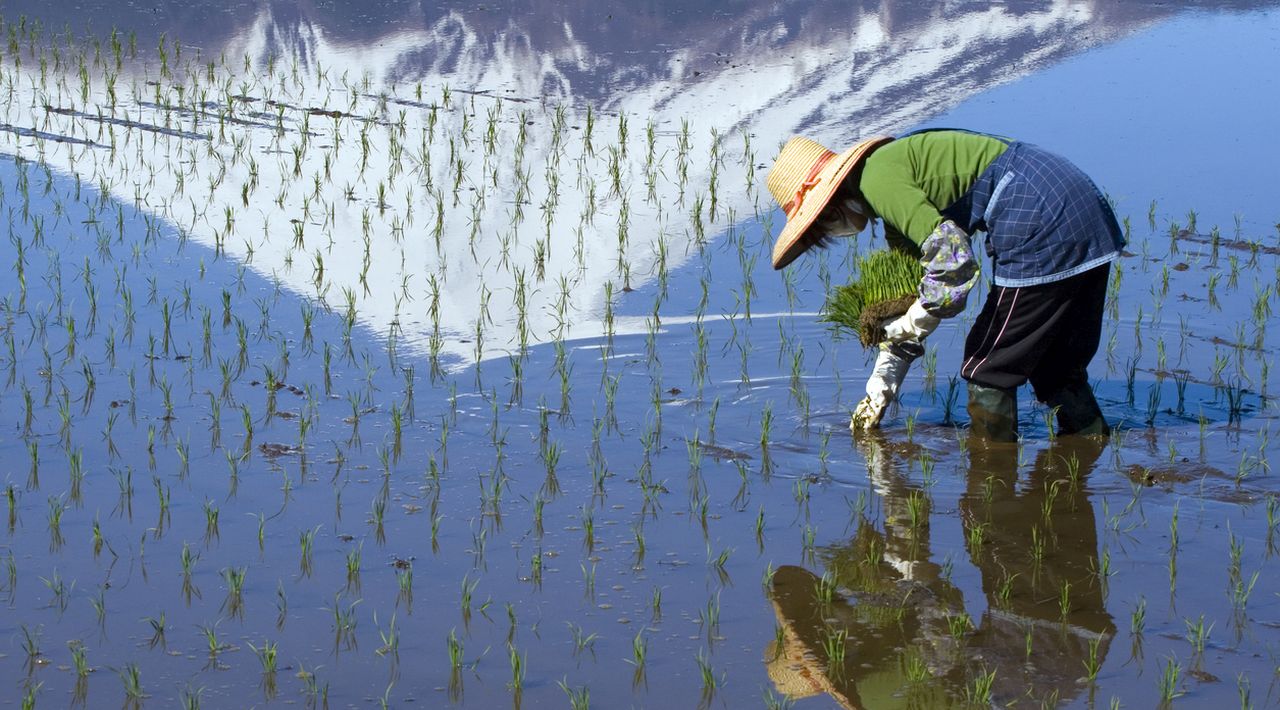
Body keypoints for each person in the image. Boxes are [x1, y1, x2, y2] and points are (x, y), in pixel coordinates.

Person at [766, 129, 1123, 441]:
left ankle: (990, 478)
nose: (833, 231)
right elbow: (916, 294)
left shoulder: (878, 179)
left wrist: (916, 320)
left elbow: (953, 265)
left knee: (988, 367)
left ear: (830, 202)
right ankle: (1089, 449)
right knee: (1054, 364)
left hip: (1037, 217)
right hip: (1080, 205)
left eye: (824, 223)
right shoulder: (891, 181)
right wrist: (882, 382)